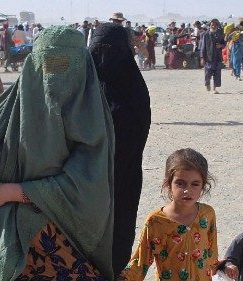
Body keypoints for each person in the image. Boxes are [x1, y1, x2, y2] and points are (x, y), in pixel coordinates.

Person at [0, 26, 115, 280]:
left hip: (62, 235)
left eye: (64, 65)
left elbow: (89, 189)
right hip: (8, 236)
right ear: (33, 65)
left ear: (82, 67)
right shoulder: (11, 111)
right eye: (48, 64)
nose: (55, 77)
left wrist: (9, 192)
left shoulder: (91, 120)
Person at [89, 23, 151, 277]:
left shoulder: (134, 91)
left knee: (116, 243)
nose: (103, 57)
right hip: (85, 184)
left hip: (120, 179)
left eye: (110, 50)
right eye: (98, 50)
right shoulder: (83, 89)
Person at [119, 148, 218, 280]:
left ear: (203, 186)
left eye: (195, 184)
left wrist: (227, 265)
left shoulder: (207, 214)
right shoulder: (156, 221)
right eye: (180, 183)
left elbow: (212, 255)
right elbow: (140, 262)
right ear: (168, 184)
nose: (187, 190)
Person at [200, 19, 225, 94]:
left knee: (217, 74)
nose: (213, 26)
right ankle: (207, 84)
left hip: (217, 57)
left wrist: (221, 45)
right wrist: (202, 57)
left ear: (217, 26)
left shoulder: (220, 34)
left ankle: (214, 88)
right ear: (210, 25)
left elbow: (224, 43)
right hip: (208, 57)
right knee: (208, 73)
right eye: (212, 25)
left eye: (215, 25)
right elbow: (203, 47)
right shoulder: (206, 34)